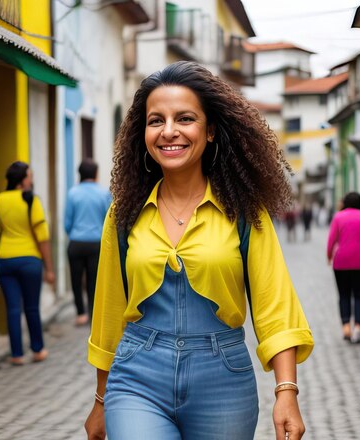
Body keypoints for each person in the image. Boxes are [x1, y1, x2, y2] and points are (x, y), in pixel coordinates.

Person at [84, 61, 314, 440]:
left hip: (223, 380)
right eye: (155, 120)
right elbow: (108, 310)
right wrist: (100, 399)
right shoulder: (123, 213)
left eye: (185, 118)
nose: (169, 131)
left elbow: (275, 305)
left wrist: (286, 392)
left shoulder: (244, 210)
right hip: (137, 375)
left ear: (209, 131)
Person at [0, 161, 55, 365]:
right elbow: (42, 238)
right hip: (29, 261)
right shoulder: (31, 200)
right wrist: (49, 268)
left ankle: (16, 354)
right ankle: (37, 350)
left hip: (4, 261)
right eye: (29, 176)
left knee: (13, 309)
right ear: (23, 179)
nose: (31, 179)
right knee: (32, 308)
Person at [64, 159, 111, 326]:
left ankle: (80, 314)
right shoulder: (104, 193)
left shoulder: (72, 193)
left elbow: (67, 223)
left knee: (76, 280)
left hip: (76, 243)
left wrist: (75, 234)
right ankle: (93, 314)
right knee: (95, 281)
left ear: (80, 174)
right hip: (96, 244)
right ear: (96, 174)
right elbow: (109, 220)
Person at [326, 192, 360, 344]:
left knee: (344, 294)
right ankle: (358, 328)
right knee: (359, 294)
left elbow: (332, 239)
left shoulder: (338, 217)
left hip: (342, 262)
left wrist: (329, 256)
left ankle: (346, 327)